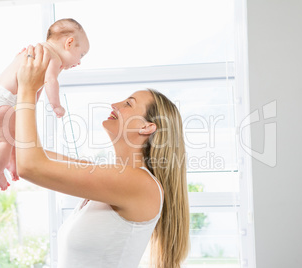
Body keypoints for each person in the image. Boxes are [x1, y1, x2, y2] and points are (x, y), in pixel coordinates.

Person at [15, 44, 190, 267]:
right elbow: (27, 153)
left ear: (147, 128)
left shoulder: (139, 183)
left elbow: (31, 166)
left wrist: (27, 90)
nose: (114, 104)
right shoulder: (113, 177)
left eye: (128, 104)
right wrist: (30, 91)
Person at [0, 18, 90, 191]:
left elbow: (37, 86)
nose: (79, 62)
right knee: (6, 140)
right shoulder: (53, 57)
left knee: (13, 137)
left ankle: (12, 163)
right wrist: (56, 105)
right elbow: (51, 82)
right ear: (69, 43)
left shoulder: (37, 52)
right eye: (81, 54)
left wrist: (32, 104)